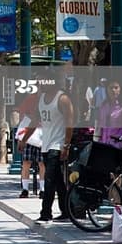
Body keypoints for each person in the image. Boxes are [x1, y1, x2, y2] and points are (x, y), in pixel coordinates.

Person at [19, 81, 74, 222]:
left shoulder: (62, 99)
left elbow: (69, 122)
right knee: (58, 181)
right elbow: (34, 121)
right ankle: (67, 210)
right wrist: (24, 139)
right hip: (46, 144)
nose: (41, 84)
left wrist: (66, 145)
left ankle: (46, 212)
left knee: (49, 179)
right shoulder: (41, 100)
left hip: (57, 145)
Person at [94, 80, 122, 147]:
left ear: (120, 89)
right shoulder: (104, 105)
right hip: (104, 144)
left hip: (119, 145)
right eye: (111, 88)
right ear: (107, 90)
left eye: (116, 87)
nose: (113, 90)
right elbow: (99, 127)